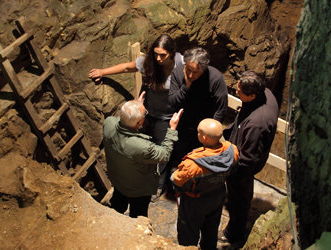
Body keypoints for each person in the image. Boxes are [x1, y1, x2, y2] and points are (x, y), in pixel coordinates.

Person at [90, 34, 185, 196]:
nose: (158, 58)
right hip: (146, 112)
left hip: (167, 116)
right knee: (142, 147)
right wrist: (103, 72)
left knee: (162, 153)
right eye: (156, 53)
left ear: (172, 53)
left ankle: (158, 185)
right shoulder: (148, 63)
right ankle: (140, 176)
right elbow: (128, 67)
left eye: (163, 55)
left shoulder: (180, 65)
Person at [220, 71, 279, 245]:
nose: (236, 91)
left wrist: (231, 169)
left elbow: (248, 159)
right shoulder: (266, 93)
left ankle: (234, 234)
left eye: (240, 91)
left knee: (239, 198)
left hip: (241, 169)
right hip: (242, 152)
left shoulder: (256, 124)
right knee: (240, 195)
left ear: (252, 95)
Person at [166, 47, 229, 197]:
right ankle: (177, 188)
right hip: (183, 126)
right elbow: (173, 102)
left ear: (204, 69)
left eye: (195, 72)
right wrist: (186, 86)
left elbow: (221, 108)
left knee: (201, 161)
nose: (190, 74)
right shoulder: (178, 73)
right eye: (188, 69)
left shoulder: (215, 78)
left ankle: (196, 190)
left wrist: (211, 134)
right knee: (178, 157)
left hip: (204, 130)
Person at [103, 100, 183, 217]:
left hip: (118, 180)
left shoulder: (108, 123)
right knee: (138, 215)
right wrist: (172, 129)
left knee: (117, 206)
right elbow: (164, 154)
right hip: (138, 189)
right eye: (145, 113)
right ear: (139, 123)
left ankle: (115, 219)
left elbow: (121, 121)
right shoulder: (142, 147)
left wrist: (135, 106)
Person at [170, 118, 239, 249]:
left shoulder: (193, 164)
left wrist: (173, 174)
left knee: (188, 233)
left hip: (195, 202)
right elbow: (234, 169)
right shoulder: (233, 150)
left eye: (199, 132)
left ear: (205, 138)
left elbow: (178, 183)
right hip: (217, 194)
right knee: (211, 228)